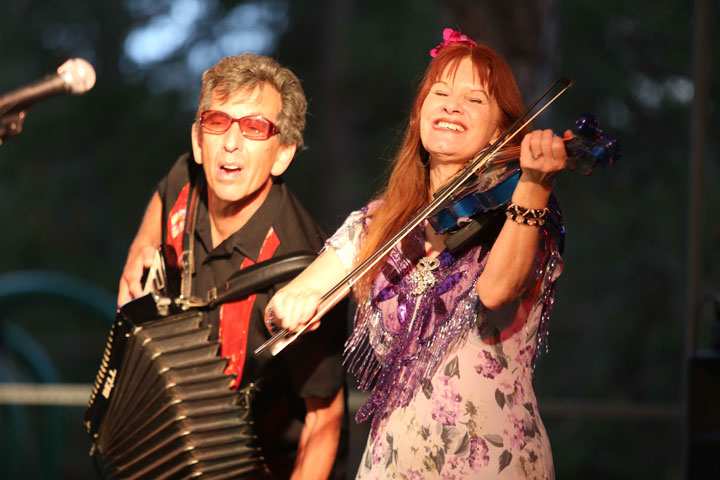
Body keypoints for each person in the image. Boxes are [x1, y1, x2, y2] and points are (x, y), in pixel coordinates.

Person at [266, 28, 566, 478]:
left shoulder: (525, 212)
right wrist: (290, 304)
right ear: (419, 115)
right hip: (391, 464)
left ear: (500, 132)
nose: (451, 105)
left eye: (474, 99)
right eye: (440, 93)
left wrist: (534, 186)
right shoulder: (376, 223)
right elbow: (296, 294)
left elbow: (497, 291)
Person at [116, 54, 346, 479]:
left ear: (282, 155)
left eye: (256, 127)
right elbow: (168, 188)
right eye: (217, 122)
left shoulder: (305, 266)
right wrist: (143, 241)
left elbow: (325, 416)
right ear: (198, 141)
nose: (231, 143)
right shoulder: (188, 177)